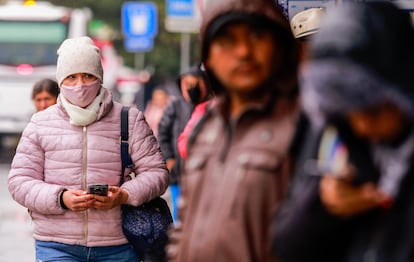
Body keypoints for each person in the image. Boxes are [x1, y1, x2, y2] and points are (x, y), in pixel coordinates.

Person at [272, 2, 414, 261]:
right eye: (350, 111)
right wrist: (325, 207)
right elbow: (286, 244)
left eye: (373, 110)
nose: (362, 125)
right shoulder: (332, 135)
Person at [8, 36, 169, 262]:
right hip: (56, 245)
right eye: (71, 77)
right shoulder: (40, 123)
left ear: (99, 77)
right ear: (61, 81)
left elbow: (158, 174)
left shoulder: (129, 119)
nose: (80, 84)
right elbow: (19, 181)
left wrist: (125, 195)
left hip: (118, 245)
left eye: (88, 75)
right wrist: (61, 198)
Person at [166, 0, 300, 260]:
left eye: (257, 36)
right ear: (208, 57)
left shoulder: (305, 123)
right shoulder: (207, 125)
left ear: (279, 47)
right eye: (227, 40)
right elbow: (185, 222)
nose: (243, 52)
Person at [157, 65, 210, 223]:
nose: (190, 88)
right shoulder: (175, 105)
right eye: (186, 84)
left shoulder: (211, 106)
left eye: (195, 83)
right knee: (180, 214)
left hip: (204, 174)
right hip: (179, 171)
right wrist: (169, 158)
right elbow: (163, 132)